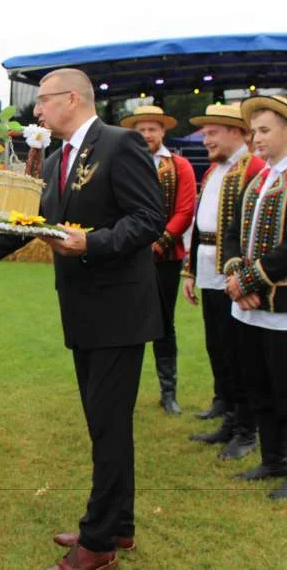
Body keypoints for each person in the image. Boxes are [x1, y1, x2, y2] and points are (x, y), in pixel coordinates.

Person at [0, 69, 164, 569]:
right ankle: (120, 525)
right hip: (84, 310)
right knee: (105, 425)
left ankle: (99, 541)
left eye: (42, 102)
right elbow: (27, 227)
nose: (36, 112)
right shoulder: (54, 161)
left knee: (107, 428)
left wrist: (94, 241)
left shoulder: (121, 143)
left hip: (119, 313)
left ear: (70, 99)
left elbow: (149, 218)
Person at [223, 95, 287, 500]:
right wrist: (237, 276)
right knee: (258, 386)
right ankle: (273, 461)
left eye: (264, 130)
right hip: (249, 306)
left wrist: (246, 282)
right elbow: (233, 230)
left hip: (285, 308)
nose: (256, 138)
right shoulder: (259, 179)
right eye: (254, 131)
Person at [181, 104, 266, 459]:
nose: (206, 140)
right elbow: (201, 223)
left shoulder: (255, 169)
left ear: (236, 131)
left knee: (241, 352)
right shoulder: (213, 172)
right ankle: (228, 413)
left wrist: (246, 277)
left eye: (213, 132)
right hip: (208, 268)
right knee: (218, 345)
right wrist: (190, 270)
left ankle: (247, 428)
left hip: (234, 272)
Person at [121, 105, 196, 415]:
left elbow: (184, 211)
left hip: (164, 258)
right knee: (125, 324)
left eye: (152, 129)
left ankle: (169, 393)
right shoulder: (123, 163)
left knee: (165, 324)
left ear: (163, 132)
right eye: (141, 130)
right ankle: (123, 391)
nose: (147, 135)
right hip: (126, 256)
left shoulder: (179, 166)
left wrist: (156, 243)